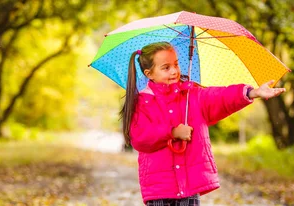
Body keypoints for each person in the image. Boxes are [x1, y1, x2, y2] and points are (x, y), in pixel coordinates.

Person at [120, 41, 285, 206]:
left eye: (176, 65)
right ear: (149, 74)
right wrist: (173, 132)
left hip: (189, 186)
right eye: (166, 67)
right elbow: (140, 137)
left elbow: (220, 96)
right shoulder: (142, 102)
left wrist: (252, 92)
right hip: (159, 189)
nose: (174, 71)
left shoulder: (192, 95)